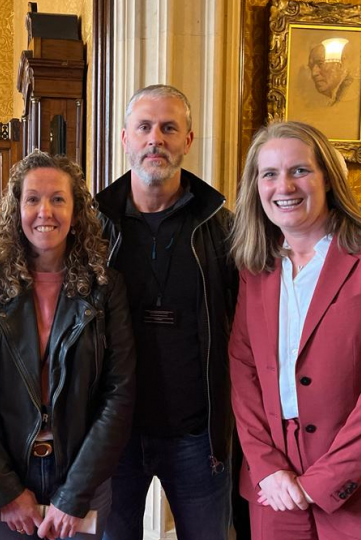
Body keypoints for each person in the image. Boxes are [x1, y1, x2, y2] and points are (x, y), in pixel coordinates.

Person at [229, 121, 361, 539]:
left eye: (299, 170)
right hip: (276, 492)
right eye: (269, 174)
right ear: (256, 187)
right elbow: (243, 370)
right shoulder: (256, 268)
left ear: (327, 178)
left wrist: (326, 479)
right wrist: (266, 468)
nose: (284, 186)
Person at [0, 150, 136, 540]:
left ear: (76, 212)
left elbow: (119, 395)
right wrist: (4, 487)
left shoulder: (107, 288)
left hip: (82, 474)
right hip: (7, 472)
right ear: (17, 210)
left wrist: (74, 494)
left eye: (58, 199)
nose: (45, 212)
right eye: (33, 199)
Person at [96, 85, 237, 540]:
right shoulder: (92, 227)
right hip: (113, 437)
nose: (155, 138)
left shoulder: (222, 227)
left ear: (188, 140)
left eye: (169, 128)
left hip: (198, 437)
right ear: (125, 139)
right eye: (144, 127)